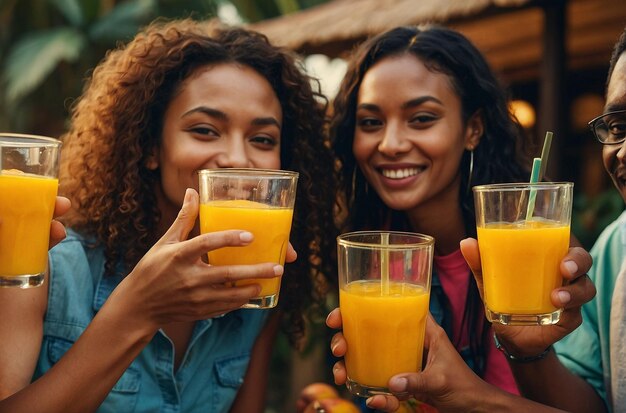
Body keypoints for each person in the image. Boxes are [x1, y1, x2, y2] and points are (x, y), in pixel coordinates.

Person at [0, 18, 337, 413]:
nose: (236, 159)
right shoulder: (41, 265)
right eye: (205, 130)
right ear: (150, 148)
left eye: (262, 139)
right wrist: (138, 312)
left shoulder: (259, 284)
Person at [325, 24, 597, 411]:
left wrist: (527, 353)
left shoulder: (524, 257)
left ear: (473, 129)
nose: (390, 144)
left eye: (421, 118)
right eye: (371, 122)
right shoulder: (366, 250)